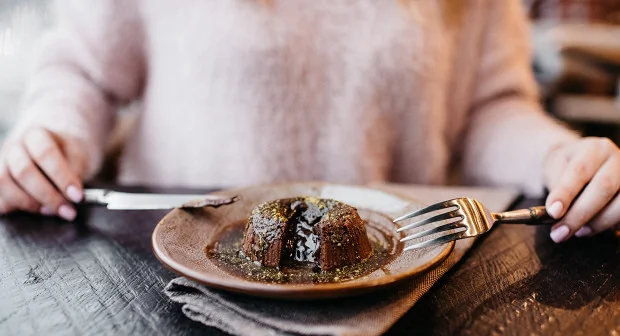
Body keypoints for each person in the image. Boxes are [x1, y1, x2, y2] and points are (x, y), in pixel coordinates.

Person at [0, 0, 618, 245]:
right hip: (172, 286)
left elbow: (489, 109)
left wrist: (558, 158)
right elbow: (84, 72)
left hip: (394, 288)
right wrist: (51, 137)